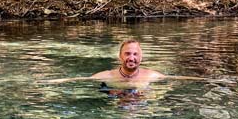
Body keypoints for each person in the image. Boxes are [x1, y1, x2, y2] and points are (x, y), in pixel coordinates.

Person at [47, 38, 205, 88]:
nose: (131, 57)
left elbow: (176, 79)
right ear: (120, 57)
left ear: (141, 58)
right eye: (128, 54)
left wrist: (208, 80)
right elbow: (82, 80)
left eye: (135, 54)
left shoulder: (150, 75)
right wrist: (56, 82)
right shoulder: (108, 76)